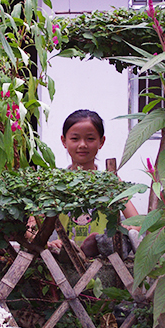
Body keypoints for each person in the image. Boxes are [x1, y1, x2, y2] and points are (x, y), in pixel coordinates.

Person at [58, 109, 139, 257]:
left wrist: (121, 232)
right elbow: (34, 229)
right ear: (64, 141)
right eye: (75, 139)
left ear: (101, 141)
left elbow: (138, 222)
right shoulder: (55, 183)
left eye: (90, 139)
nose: (82, 145)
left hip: (105, 261)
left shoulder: (111, 181)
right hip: (63, 260)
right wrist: (49, 243)